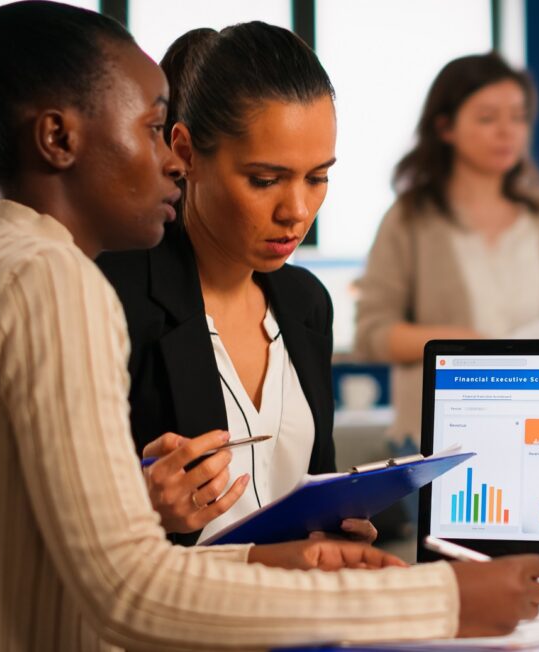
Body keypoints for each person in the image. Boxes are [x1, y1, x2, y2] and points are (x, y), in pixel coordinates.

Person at [0, 3, 539, 649]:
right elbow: (129, 589)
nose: (166, 159)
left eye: (319, 178)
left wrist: (314, 557)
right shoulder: (64, 281)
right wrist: (435, 598)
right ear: (59, 138)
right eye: (152, 128)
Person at [97, 23, 370, 546]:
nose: (296, 211)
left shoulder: (306, 303)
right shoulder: (113, 296)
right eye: (265, 180)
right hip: (176, 618)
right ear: (186, 152)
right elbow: (56, 514)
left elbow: (317, 484)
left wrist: (339, 533)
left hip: (298, 618)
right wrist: (137, 505)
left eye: (317, 178)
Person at [355, 52, 539, 453]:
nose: (507, 132)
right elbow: (372, 335)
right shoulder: (410, 218)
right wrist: (462, 343)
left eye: (519, 116)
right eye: (488, 118)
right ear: (445, 127)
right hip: (437, 437)